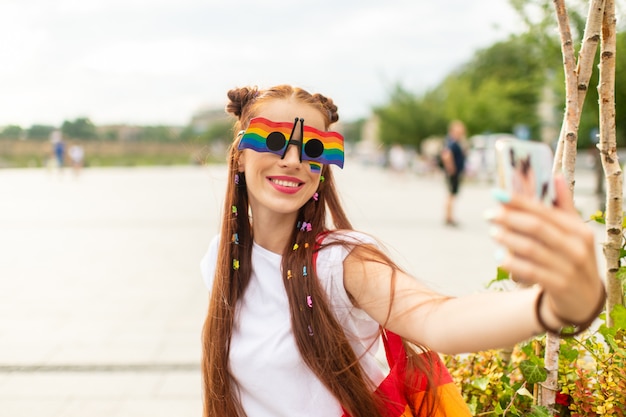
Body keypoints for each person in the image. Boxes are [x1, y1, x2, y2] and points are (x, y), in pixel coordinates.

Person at [200, 85, 605, 417]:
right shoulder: (223, 259)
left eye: (312, 149)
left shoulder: (339, 263)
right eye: (273, 141)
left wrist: (555, 305)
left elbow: (437, 319)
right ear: (239, 156)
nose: (292, 160)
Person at [440, 120, 467, 227]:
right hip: (453, 173)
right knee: (451, 195)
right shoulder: (452, 142)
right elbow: (446, 155)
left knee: (451, 195)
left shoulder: (452, 142)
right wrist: (451, 168)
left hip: (454, 172)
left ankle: (449, 216)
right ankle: (449, 217)